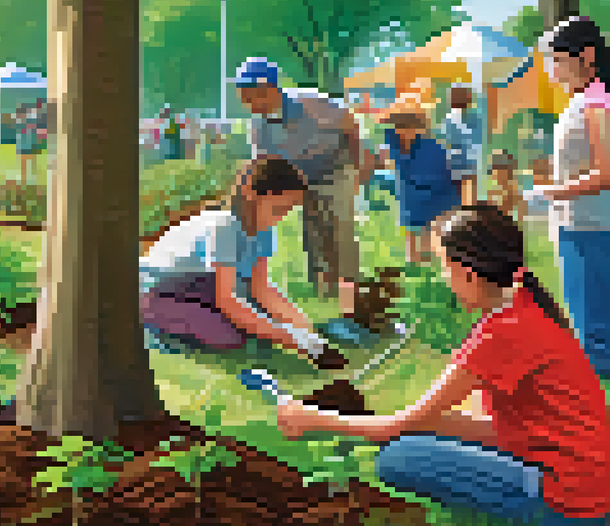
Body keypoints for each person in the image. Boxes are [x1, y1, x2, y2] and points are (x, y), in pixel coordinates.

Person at [276, 204, 610, 525]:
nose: (443, 278)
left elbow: (398, 426)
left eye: (443, 266)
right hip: (591, 489)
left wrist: (311, 417)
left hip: (566, 504)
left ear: (467, 274)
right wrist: (420, 424)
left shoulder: (499, 336)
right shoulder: (526, 307)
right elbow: (501, 431)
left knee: (398, 457)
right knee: (418, 434)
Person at [140, 156, 347, 369]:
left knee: (254, 320)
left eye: (287, 210)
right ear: (251, 195)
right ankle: (152, 332)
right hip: (156, 292)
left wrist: (310, 336)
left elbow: (261, 289)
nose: (280, 218)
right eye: (278, 209)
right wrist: (296, 341)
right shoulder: (225, 226)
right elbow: (227, 300)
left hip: (201, 290)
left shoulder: (264, 230)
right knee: (228, 336)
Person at [234, 57, 372, 304]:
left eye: (255, 96)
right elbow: (262, 164)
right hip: (301, 177)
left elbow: (351, 126)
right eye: (245, 97)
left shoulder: (312, 103)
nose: (251, 104)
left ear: (273, 90)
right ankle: (324, 292)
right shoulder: (257, 125)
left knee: (339, 228)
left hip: (335, 168)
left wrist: (358, 169)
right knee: (313, 231)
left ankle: (350, 292)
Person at [526, 16, 610, 378]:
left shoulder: (595, 101)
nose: (551, 67)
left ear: (586, 55)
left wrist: (548, 192)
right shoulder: (584, 99)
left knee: (592, 320)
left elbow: (605, 172)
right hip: (582, 222)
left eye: (557, 59)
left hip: (589, 225)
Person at [377, 109, 461, 266]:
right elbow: (385, 156)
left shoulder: (432, 148)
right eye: (399, 127)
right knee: (412, 233)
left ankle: (429, 265)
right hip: (411, 194)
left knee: (429, 237)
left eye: (408, 127)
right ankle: (414, 265)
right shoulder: (393, 143)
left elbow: (442, 176)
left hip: (437, 195)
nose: (403, 132)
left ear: (417, 129)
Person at [438, 85, 484, 206]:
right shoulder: (452, 118)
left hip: (462, 159)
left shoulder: (471, 117)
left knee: (465, 190)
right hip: (460, 159)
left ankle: (467, 209)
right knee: (463, 190)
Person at [490, 150, 527, 225]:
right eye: (495, 169)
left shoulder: (513, 190)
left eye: (500, 169)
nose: (496, 173)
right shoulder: (494, 192)